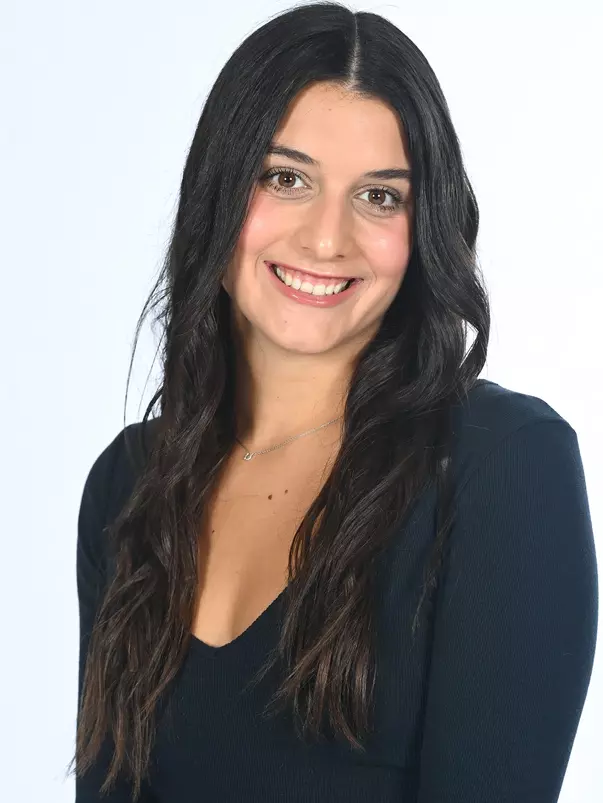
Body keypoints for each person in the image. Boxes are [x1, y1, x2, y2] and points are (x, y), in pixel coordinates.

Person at [68, 3, 598, 801]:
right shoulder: (130, 485)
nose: (326, 238)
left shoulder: (500, 467)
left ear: (423, 232)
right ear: (218, 196)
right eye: (285, 178)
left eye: (380, 197)